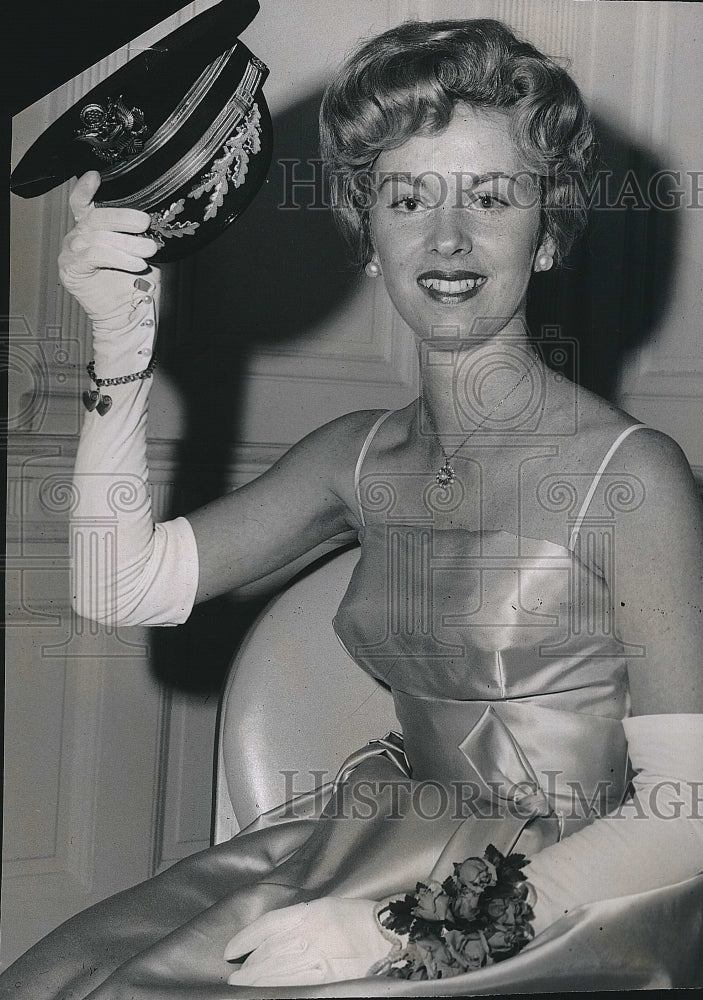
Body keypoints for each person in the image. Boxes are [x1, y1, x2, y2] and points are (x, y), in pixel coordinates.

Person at [3, 16, 703, 998]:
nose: (447, 239)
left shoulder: (635, 478)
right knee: (72, 978)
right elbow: (122, 587)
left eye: (491, 197)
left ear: (547, 234)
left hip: (561, 900)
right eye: (407, 198)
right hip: (376, 836)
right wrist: (118, 349)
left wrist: (405, 929)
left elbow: (686, 816)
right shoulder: (356, 457)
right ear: (368, 238)